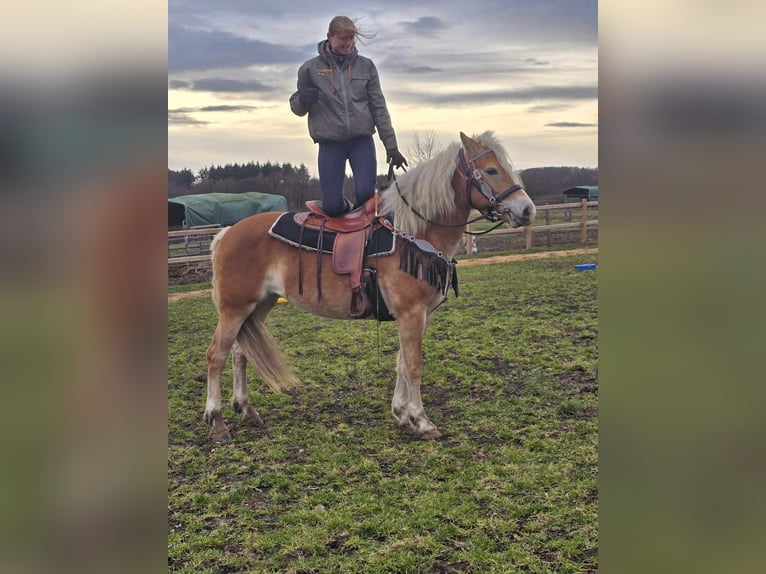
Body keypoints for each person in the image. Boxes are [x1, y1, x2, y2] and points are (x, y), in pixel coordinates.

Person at [290, 16, 407, 216]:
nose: (348, 43)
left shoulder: (366, 66)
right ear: (330, 36)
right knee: (332, 207)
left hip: (361, 141)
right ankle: (344, 213)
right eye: (343, 38)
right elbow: (296, 108)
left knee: (365, 194)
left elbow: (379, 107)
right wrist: (303, 100)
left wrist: (391, 146)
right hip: (330, 143)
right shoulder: (310, 69)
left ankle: (366, 242)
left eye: (351, 38)